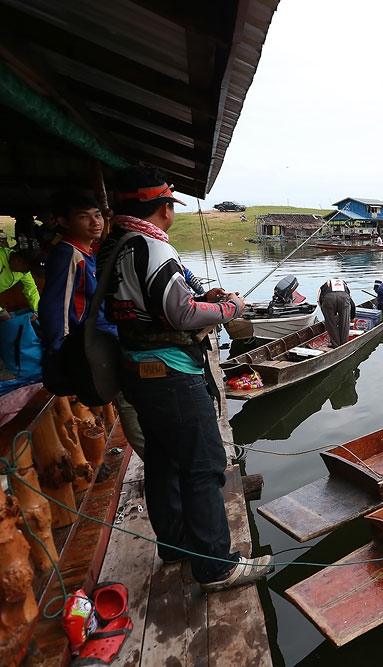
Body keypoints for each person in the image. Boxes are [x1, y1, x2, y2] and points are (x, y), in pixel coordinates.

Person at [99, 166, 270, 591]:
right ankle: (216, 566)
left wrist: (202, 295)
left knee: (162, 461)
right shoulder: (155, 249)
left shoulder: (116, 247)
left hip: (137, 369)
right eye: (169, 205)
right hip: (171, 373)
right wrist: (230, 309)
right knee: (204, 464)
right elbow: (183, 314)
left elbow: (159, 301)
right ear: (162, 208)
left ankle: (176, 546)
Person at [37, 190, 115, 381]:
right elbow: (55, 306)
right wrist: (59, 351)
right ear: (64, 222)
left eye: (97, 215)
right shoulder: (68, 255)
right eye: (84, 217)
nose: (95, 222)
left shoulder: (88, 251)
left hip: (101, 337)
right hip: (86, 341)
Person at [0, 247, 40, 321]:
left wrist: (37, 311)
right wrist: (1, 312)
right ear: (18, 260)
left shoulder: (23, 270)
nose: (24, 273)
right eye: (24, 270)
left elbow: (31, 289)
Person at [319, 277, 355, 346]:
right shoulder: (344, 286)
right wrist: (352, 318)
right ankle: (344, 343)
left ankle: (335, 344)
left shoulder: (325, 285)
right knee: (344, 322)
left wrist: (328, 316)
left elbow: (320, 301)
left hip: (328, 298)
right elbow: (352, 304)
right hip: (344, 298)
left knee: (331, 323)